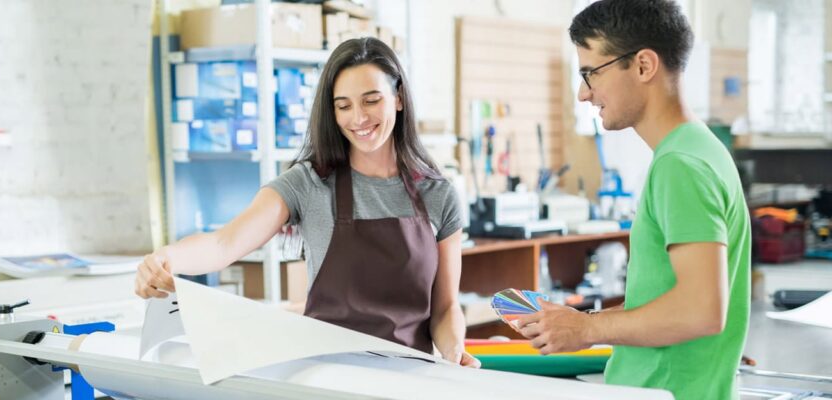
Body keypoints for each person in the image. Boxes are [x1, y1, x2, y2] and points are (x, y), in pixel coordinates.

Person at [135, 37, 479, 368]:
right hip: (325, 376)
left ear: (399, 98)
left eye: (371, 100)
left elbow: (446, 307)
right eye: (343, 106)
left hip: (409, 379)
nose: (358, 118)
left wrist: (453, 350)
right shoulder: (309, 183)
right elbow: (224, 243)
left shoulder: (439, 195)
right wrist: (168, 257)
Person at [514, 1, 751, 399]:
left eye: (591, 73)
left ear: (643, 65)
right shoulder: (699, 148)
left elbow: (702, 310)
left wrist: (588, 330)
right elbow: (675, 301)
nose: (584, 92)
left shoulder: (680, 165)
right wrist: (581, 320)